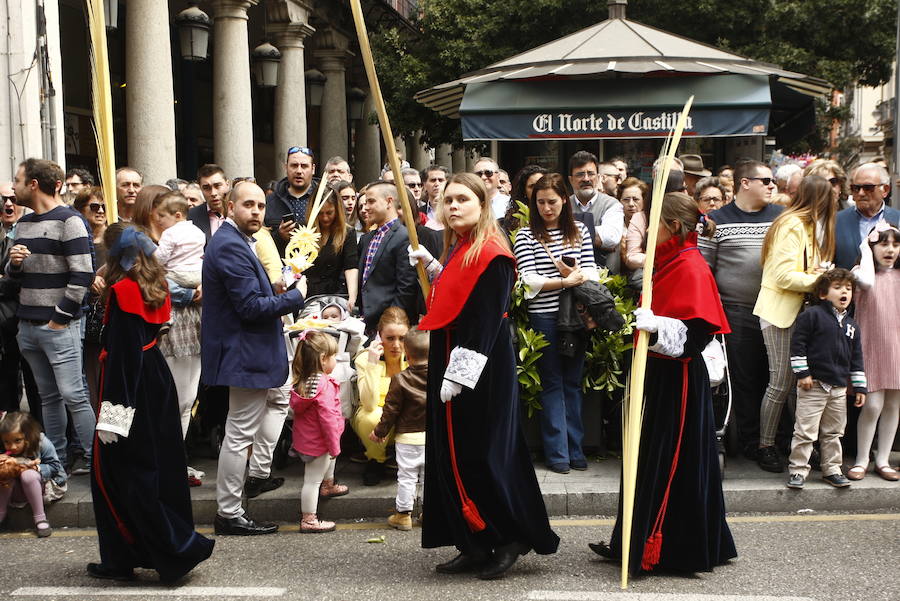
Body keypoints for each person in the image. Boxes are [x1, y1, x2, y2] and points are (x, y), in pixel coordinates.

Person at [414, 173, 559, 580]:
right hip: (453, 355)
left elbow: (485, 320)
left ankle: (510, 536)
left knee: (484, 454)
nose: (453, 206)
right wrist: (435, 269)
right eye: (448, 200)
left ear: (482, 206)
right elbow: (458, 297)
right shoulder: (461, 248)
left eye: (462, 199)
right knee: (454, 454)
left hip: (480, 366)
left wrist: (459, 374)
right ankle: (473, 541)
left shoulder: (494, 253)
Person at [589, 191, 736, 576]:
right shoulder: (670, 260)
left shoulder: (691, 265)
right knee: (645, 456)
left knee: (668, 460)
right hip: (656, 373)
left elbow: (697, 335)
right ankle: (632, 538)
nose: (647, 230)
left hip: (679, 378)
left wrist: (658, 327)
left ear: (672, 226)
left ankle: (664, 546)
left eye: (653, 223)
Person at [88, 223, 213, 582]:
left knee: (119, 475)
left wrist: (113, 415)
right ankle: (139, 554)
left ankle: (148, 554)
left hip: (131, 388)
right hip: (155, 381)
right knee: (154, 470)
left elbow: (124, 356)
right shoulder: (155, 286)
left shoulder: (124, 290)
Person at [202, 180, 305, 536]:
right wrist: (295, 296)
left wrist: (275, 288)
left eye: (261, 206)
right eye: (248, 205)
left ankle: (230, 509)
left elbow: (249, 295)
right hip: (244, 354)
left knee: (239, 432)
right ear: (230, 207)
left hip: (247, 352)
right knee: (239, 434)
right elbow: (249, 308)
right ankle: (229, 513)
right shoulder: (230, 245)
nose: (257, 212)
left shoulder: (238, 241)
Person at [7, 158, 95, 475]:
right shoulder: (25, 223)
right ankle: (55, 460)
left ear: (33, 184)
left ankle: (94, 460)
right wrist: (14, 264)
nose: (13, 186)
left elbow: (83, 275)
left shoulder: (69, 221)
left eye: (17, 180)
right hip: (27, 327)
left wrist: (60, 317)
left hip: (57, 326)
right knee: (48, 397)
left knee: (74, 395)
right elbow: (12, 277)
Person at [699, 160, 783, 461]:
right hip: (735, 311)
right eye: (766, 180)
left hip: (777, 311)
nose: (772, 186)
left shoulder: (782, 217)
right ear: (745, 183)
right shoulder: (714, 220)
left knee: (778, 379)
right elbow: (705, 270)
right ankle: (750, 443)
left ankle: (772, 442)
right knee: (744, 380)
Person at [754, 175, 838, 473]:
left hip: (795, 314)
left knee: (795, 387)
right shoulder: (792, 224)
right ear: (822, 199)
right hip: (780, 313)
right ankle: (765, 446)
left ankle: (798, 446)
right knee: (781, 384)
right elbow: (783, 276)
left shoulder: (805, 224)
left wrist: (816, 274)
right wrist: (823, 280)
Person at [513, 174, 597, 473]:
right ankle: (558, 454)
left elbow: (592, 273)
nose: (546, 208)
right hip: (544, 316)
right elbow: (528, 280)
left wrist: (573, 278)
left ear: (564, 199)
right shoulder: (525, 235)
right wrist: (564, 280)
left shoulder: (581, 231)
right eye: (540, 202)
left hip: (575, 316)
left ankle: (575, 450)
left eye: (552, 201)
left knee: (572, 383)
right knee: (552, 383)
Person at [785, 268, 865, 491]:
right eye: (838, 287)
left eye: (848, 289)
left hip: (838, 388)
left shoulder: (852, 325)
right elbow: (798, 346)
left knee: (834, 432)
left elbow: (856, 358)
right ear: (822, 294)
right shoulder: (812, 316)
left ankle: (832, 469)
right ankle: (798, 470)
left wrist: (859, 386)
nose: (844, 292)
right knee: (805, 431)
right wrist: (803, 373)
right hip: (814, 385)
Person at [848, 222, 900, 481]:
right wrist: (864, 248)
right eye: (883, 243)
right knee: (873, 405)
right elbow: (867, 282)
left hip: (896, 348)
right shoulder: (860, 272)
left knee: (893, 405)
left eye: (895, 244)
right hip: (870, 346)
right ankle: (861, 459)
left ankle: (883, 459)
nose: (890, 250)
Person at [370, 326, 429, 531]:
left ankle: (403, 515)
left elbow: (391, 410)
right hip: (431, 438)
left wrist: (379, 432)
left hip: (407, 438)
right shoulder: (439, 378)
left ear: (407, 355)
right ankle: (429, 513)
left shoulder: (400, 379)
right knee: (428, 478)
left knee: (406, 477)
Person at [289, 329, 348, 533]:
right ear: (323, 359)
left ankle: (329, 484)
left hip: (307, 440)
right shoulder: (324, 385)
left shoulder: (306, 380)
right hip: (321, 442)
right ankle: (309, 519)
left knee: (327, 464)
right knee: (312, 480)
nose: (336, 361)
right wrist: (334, 445)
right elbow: (328, 419)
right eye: (334, 357)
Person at [352, 307, 409, 486]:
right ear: (379, 336)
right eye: (390, 338)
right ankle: (376, 460)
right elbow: (368, 404)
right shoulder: (365, 359)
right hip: (376, 420)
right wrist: (372, 365)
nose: (396, 345)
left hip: (407, 419)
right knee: (373, 416)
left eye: (402, 338)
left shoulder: (415, 356)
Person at [1, 184, 40, 418]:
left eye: (13, 198)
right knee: (6, 387)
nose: (8, 204)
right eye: (3, 199)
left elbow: (18, 280)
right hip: (4, 327)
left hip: (27, 319)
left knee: (36, 384)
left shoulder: (29, 230)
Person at [357, 181, 417, 333]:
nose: (366, 208)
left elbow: (406, 288)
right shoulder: (368, 238)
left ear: (389, 201)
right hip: (367, 322)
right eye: (364, 203)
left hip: (390, 327)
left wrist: (389, 325)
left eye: (371, 201)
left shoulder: (404, 237)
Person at [0, 411, 65, 537]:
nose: (12, 446)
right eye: (7, 442)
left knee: (28, 475)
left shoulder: (41, 443)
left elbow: (55, 467)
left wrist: (35, 467)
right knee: (4, 474)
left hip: (40, 486)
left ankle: (40, 518)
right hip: (13, 490)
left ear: (28, 435)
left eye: (17, 440)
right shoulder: (3, 447)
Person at [73, 187, 109, 410]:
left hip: (112, 314)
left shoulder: (116, 240)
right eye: (94, 207)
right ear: (81, 210)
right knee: (91, 381)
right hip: (88, 317)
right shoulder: (77, 241)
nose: (101, 211)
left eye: (104, 206)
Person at [834, 163, 900, 269]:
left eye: (868, 188)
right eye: (856, 188)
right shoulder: (836, 221)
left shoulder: (898, 219)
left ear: (885, 190)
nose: (861, 193)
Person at [567, 151, 624, 270]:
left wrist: (568, 232)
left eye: (591, 174)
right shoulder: (563, 205)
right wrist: (596, 234)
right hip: (569, 279)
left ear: (598, 178)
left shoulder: (612, 205)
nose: (586, 179)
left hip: (606, 280)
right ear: (571, 180)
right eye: (580, 174)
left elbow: (611, 238)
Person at [304, 185, 359, 310]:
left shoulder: (347, 233)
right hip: (307, 296)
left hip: (335, 296)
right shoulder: (303, 231)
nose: (325, 218)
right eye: (320, 213)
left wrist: (352, 297)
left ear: (337, 210)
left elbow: (351, 266)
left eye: (329, 213)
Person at [265, 146, 318, 257]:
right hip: (282, 267)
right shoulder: (270, 201)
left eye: (304, 166)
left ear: (313, 169)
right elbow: (261, 241)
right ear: (286, 167)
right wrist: (279, 236)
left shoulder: (324, 198)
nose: (299, 171)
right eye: (294, 165)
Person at [152, 192, 205, 289]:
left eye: (162, 215)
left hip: (177, 274)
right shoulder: (198, 231)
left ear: (177, 216)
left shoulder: (169, 233)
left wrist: (152, 257)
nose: (158, 219)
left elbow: (161, 257)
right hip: (199, 274)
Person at [501, 165, 547, 233]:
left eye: (541, 184)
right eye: (532, 186)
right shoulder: (512, 222)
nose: (537, 189)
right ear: (524, 191)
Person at [189, 164, 230, 241]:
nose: (213, 193)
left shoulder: (240, 213)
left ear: (227, 185)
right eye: (206, 188)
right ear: (200, 189)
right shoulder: (190, 217)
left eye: (217, 186)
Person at [619, 177, 648, 272]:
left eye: (636, 199)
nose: (631, 204)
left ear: (644, 201)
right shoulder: (615, 225)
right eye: (626, 200)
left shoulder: (650, 224)